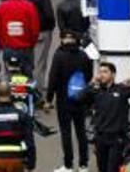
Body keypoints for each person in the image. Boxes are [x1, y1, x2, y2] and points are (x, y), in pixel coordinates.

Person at [46, 31, 93, 172]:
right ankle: (83, 164)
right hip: (80, 99)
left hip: (63, 100)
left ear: (62, 39)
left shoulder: (59, 55)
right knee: (81, 132)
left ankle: (68, 165)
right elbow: (89, 75)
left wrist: (49, 99)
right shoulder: (83, 55)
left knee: (66, 133)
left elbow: (53, 78)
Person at [81, 62, 130, 172]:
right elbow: (79, 98)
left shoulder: (122, 89)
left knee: (113, 169)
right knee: (102, 168)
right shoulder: (96, 91)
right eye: (100, 72)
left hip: (117, 138)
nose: (102, 75)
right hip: (100, 137)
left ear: (113, 74)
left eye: (105, 72)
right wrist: (91, 83)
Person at [0, 81, 36, 172]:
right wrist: (31, 163)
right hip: (16, 160)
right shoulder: (22, 115)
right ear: (11, 93)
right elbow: (29, 141)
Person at [0, 0, 40, 75]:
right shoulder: (29, 6)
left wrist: (2, 45)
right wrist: (31, 44)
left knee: (10, 78)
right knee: (27, 78)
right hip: (25, 49)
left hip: (8, 48)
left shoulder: (2, 7)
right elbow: (35, 30)